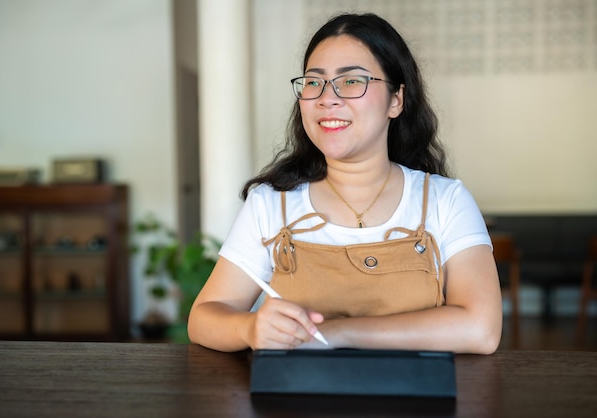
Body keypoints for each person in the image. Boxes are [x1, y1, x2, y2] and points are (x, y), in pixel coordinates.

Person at [187, 12, 502, 354]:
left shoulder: (445, 201)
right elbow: (204, 318)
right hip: (298, 403)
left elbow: (481, 328)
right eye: (313, 82)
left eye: (352, 81)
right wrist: (249, 327)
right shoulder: (271, 204)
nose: (327, 98)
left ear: (396, 100)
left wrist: (332, 334)